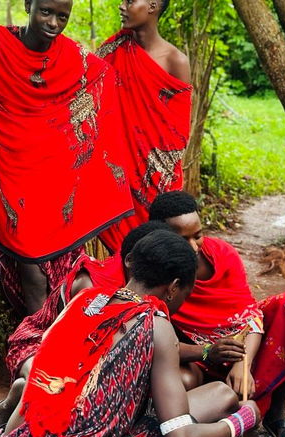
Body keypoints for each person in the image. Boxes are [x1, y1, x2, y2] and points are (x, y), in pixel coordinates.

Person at [0, 230, 261, 437]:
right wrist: (244, 418)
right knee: (215, 407)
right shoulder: (154, 324)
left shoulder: (85, 301)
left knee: (195, 404)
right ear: (174, 286)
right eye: (185, 293)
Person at [0, 0, 133, 315]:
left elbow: (105, 78)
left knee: (67, 269)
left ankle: (59, 338)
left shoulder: (71, 56)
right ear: (28, 5)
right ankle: (35, 339)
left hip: (57, 172)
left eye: (62, 17)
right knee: (30, 267)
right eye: (46, 12)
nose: (53, 23)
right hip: (12, 169)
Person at [0, 221, 173, 437]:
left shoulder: (142, 297)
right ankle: (8, 436)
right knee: (48, 382)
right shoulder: (93, 286)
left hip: (79, 355)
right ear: (130, 260)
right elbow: (63, 346)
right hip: (38, 343)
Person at [149, 191, 285, 437]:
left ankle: (276, 413)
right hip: (198, 359)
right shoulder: (153, 270)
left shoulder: (222, 254)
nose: (194, 246)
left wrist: (242, 361)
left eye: (198, 235)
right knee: (182, 377)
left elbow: (248, 314)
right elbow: (152, 336)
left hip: (242, 345)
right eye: (183, 239)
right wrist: (207, 351)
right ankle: (193, 424)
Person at [95, 0, 192, 253]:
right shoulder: (111, 51)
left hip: (157, 176)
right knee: (127, 254)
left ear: (152, 5)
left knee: (160, 249)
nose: (122, 6)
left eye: (129, 0)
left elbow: (179, 131)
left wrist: (154, 170)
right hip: (118, 171)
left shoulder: (175, 61)